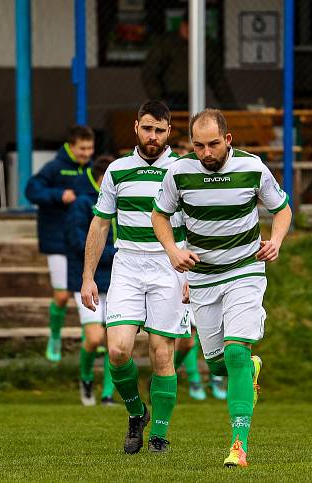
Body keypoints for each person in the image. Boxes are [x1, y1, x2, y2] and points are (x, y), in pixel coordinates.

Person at [152, 108, 291, 468]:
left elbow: (283, 208)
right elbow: (159, 215)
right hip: (203, 277)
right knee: (217, 365)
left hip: (245, 270)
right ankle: (250, 368)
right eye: (198, 146)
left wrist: (275, 240)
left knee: (234, 353)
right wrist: (172, 251)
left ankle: (238, 446)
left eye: (213, 144)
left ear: (227, 140)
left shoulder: (253, 168)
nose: (206, 153)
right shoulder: (179, 172)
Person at [81, 100, 189, 455]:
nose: (153, 136)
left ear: (169, 131)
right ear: (136, 127)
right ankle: (136, 413)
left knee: (161, 354)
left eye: (160, 130)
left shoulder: (183, 169)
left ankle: (159, 434)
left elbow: (195, 225)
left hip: (169, 266)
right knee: (117, 350)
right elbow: (99, 223)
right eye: (147, 128)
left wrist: (193, 274)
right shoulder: (117, 170)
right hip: (126, 264)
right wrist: (88, 277)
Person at [25, 126, 95, 362]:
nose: (87, 153)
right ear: (71, 146)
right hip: (56, 240)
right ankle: (54, 336)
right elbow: (32, 190)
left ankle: (93, 337)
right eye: (82, 148)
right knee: (63, 295)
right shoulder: (55, 167)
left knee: (89, 292)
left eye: (90, 148)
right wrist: (58, 195)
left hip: (83, 241)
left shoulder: (93, 171)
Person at [65, 154, 117, 406]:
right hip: (87, 280)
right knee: (95, 337)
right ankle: (86, 378)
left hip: (117, 282)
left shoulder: (123, 203)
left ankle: (107, 394)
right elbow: (76, 243)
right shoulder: (84, 204)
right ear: (101, 179)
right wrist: (115, 254)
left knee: (114, 342)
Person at [142, 13, 236, 110]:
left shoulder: (207, 47)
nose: (190, 32)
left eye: (195, 29)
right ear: (182, 26)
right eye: (188, 28)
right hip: (169, 98)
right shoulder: (166, 44)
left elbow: (218, 81)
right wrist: (158, 100)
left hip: (196, 97)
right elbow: (149, 73)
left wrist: (231, 107)